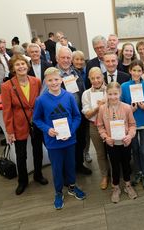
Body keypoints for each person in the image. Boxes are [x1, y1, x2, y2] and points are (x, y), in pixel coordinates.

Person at [33, 67, 86, 209]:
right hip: (52, 142)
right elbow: (37, 119)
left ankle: (72, 187)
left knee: (70, 164)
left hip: (69, 139)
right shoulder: (41, 100)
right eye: (50, 80)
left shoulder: (69, 96)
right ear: (45, 81)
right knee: (56, 168)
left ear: (61, 80)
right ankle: (58, 192)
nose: (54, 82)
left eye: (56, 79)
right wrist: (47, 129)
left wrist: (71, 130)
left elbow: (76, 116)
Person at [1, 55, 48, 195]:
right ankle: (22, 181)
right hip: (19, 124)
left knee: (38, 151)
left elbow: (40, 102)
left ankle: (38, 175)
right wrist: (9, 131)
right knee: (21, 155)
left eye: (23, 64)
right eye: (17, 65)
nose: (21, 67)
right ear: (13, 68)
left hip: (36, 122)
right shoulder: (7, 86)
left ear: (27, 66)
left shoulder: (36, 81)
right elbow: (7, 110)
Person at [97, 82, 137, 203]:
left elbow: (132, 125)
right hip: (111, 143)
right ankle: (115, 187)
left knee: (126, 164)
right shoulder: (102, 109)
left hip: (125, 143)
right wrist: (105, 137)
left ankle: (128, 185)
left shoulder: (126, 107)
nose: (113, 97)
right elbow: (100, 126)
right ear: (106, 94)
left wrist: (130, 136)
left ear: (120, 93)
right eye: (110, 94)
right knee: (114, 165)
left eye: (115, 94)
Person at [56, 46, 92, 175]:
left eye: (68, 58)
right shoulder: (53, 75)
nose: (66, 60)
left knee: (80, 141)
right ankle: (67, 170)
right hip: (63, 117)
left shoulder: (75, 73)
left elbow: (81, 90)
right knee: (66, 144)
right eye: (63, 57)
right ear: (57, 59)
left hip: (78, 114)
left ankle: (79, 165)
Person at [121, 60, 144, 190]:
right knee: (135, 149)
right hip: (131, 123)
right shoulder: (124, 86)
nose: (137, 73)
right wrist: (130, 110)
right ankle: (138, 172)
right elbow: (120, 105)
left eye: (139, 70)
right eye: (134, 70)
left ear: (143, 72)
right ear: (130, 71)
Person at [81, 67, 110, 190]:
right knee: (100, 153)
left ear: (103, 77)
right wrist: (99, 108)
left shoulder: (111, 90)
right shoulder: (86, 94)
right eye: (92, 78)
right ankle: (104, 175)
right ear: (89, 78)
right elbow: (87, 114)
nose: (96, 80)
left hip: (110, 126)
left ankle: (115, 174)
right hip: (94, 126)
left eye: (98, 77)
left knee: (113, 151)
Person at [72, 50, 92, 163]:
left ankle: (87, 151)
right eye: (77, 59)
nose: (79, 62)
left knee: (87, 132)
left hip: (88, 105)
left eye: (81, 59)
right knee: (79, 133)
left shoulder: (86, 72)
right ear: (72, 60)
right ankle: (78, 155)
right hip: (77, 107)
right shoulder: (70, 74)